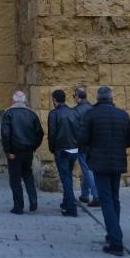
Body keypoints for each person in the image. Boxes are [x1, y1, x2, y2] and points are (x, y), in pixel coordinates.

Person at [81, 86, 130, 257]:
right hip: (117, 162)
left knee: (106, 200)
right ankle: (113, 233)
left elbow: (83, 139)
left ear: (98, 98)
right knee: (114, 198)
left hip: (99, 162)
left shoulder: (91, 114)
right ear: (112, 98)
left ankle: (116, 241)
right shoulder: (123, 114)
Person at [1, 90, 44, 214]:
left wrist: (8, 150)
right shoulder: (32, 114)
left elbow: (5, 134)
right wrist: (34, 146)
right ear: (24, 100)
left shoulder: (8, 113)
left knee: (15, 179)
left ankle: (18, 206)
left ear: (13, 100)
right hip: (28, 150)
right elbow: (40, 133)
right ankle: (33, 200)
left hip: (14, 152)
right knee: (27, 174)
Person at [48, 89, 80, 217]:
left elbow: (52, 133)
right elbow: (79, 129)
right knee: (68, 176)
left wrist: (52, 149)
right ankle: (66, 202)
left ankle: (71, 207)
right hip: (74, 149)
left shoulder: (54, 114)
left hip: (62, 149)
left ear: (54, 100)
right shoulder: (74, 112)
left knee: (66, 178)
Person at [73, 87, 100, 207]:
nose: (73, 98)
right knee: (87, 169)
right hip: (93, 143)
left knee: (87, 169)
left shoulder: (76, 111)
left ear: (78, 97)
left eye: (74, 96)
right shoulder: (92, 108)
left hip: (82, 144)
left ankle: (96, 196)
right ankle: (84, 194)